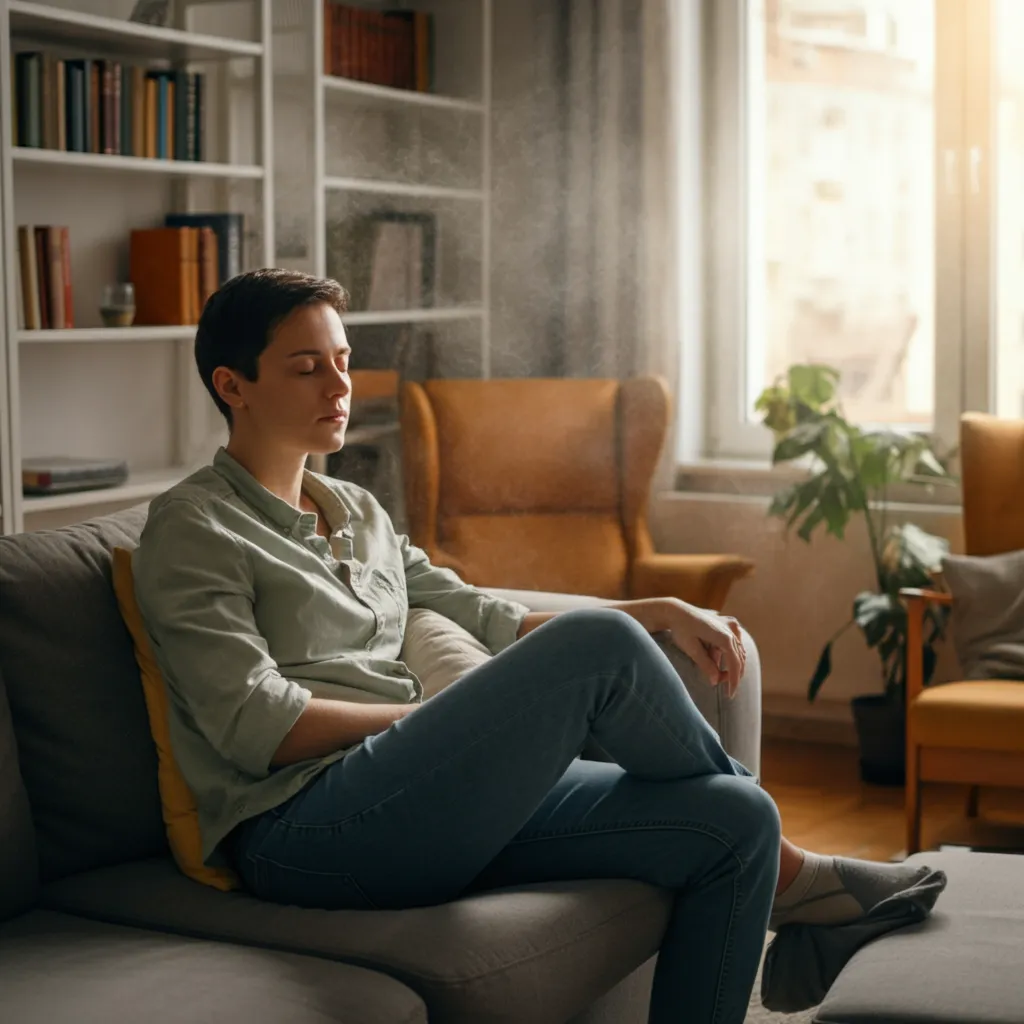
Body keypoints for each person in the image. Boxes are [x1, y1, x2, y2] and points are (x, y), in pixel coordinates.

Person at [133, 269, 941, 1024]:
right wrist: (429, 724)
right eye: (308, 367)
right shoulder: (194, 526)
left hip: (420, 793)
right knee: (598, 641)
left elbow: (483, 613)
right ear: (232, 386)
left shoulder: (355, 508)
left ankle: (783, 877)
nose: (341, 386)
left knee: (731, 820)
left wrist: (656, 606)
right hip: (306, 828)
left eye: (344, 360)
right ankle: (805, 887)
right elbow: (255, 724)